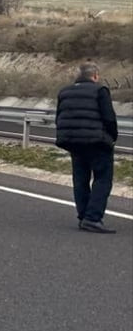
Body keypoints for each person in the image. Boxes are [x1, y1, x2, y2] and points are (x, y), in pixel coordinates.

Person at [56, 62, 118, 233]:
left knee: (80, 178)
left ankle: (83, 215)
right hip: (97, 141)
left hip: (73, 141)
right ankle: (93, 217)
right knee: (102, 178)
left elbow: (59, 117)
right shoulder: (100, 91)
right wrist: (112, 137)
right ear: (95, 76)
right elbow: (109, 118)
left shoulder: (64, 92)